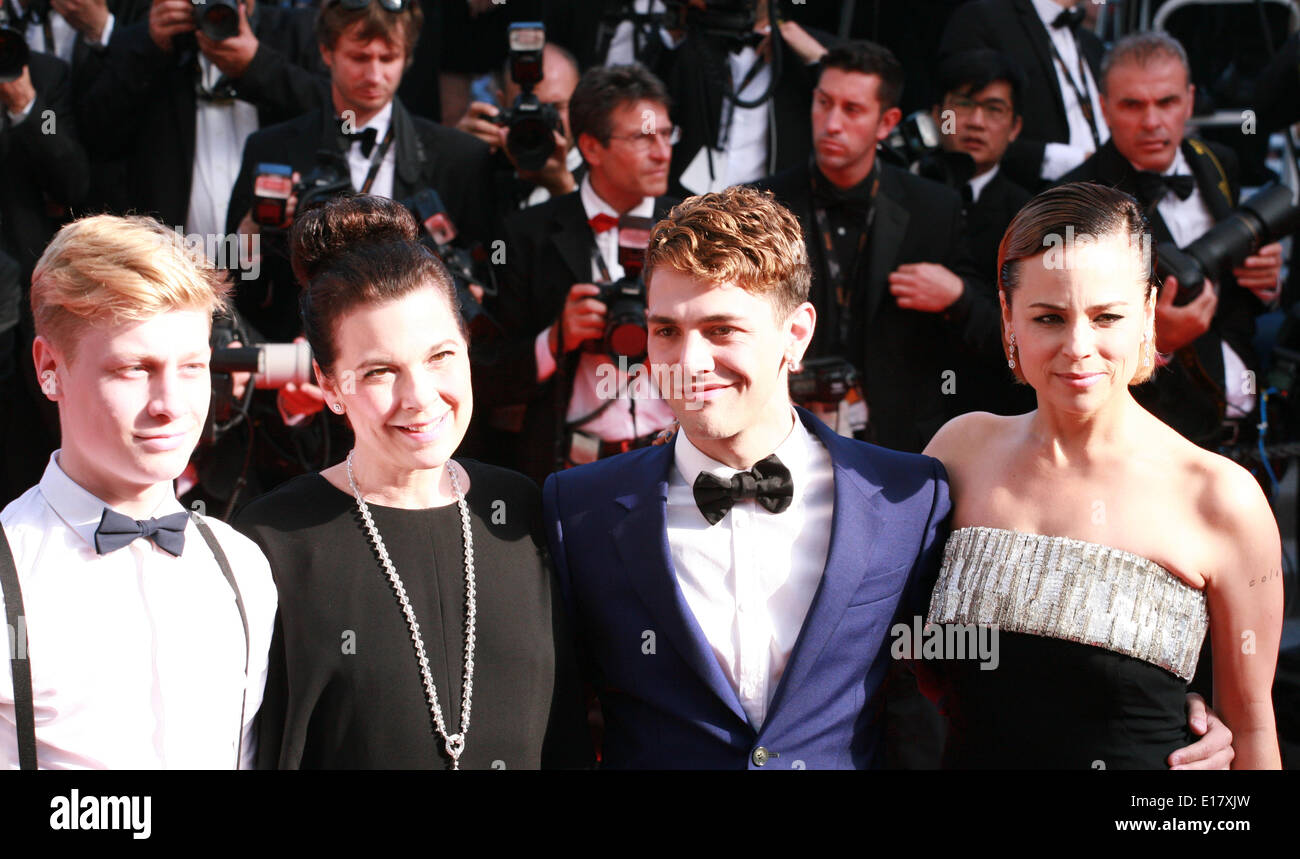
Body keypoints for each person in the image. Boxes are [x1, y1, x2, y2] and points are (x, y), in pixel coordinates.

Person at [922, 182, 1282, 769]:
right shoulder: (960, 451)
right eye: (1049, 317)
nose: (1078, 347)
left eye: (1106, 316)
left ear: (1147, 311)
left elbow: (1252, 734)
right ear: (1008, 315)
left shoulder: (1217, 496)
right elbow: (897, 658)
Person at [232, 196, 590, 770]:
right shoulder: (272, 542)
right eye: (379, 371)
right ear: (328, 383)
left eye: (440, 356)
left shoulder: (522, 511)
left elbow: (568, 733)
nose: (420, 397)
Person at [0, 214, 277, 768]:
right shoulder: (7, 573)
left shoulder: (245, 567)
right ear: (49, 367)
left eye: (193, 367)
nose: (170, 404)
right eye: (134, 369)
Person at [756, 41, 993, 452]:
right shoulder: (763, 204)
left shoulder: (934, 207)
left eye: (852, 110)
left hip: (901, 442)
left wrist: (957, 296)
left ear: (887, 123)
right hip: (785, 431)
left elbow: (994, 332)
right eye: (823, 103)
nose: (831, 123)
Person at [1060, 31, 1284, 451]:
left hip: (1252, 438)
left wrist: (1265, 283)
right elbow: (1064, 343)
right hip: (1150, 445)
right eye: (1132, 104)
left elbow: (1237, 303)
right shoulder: (1074, 199)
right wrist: (1155, 342)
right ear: (1105, 108)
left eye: (1167, 102)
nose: (1152, 122)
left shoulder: (1218, 161)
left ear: (1190, 100)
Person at [226, 0, 496, 342]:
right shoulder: (271, 148)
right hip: (298, 364)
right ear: (327, 52)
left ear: (408, 57)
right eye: (359, 57)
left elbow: (490, 277)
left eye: (388, 58)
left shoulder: (458, 156)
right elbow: (237, 286)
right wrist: (251, 231)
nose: (374, 75)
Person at [482, 63, 679, 485]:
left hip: (679, 459)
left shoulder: (696, 226)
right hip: (570, 466)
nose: (662, 152)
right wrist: (554, 340)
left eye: (666, 134)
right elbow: (483, 371)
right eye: (644, 138)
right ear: (591, 148)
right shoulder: (525, 234)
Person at [77, 0, 327, 234]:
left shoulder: (298, 32)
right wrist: (149, 48)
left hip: (269, 254)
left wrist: (258, 66)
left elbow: (341, 120)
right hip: (172, 258)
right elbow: (95, 136)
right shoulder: (147, 40)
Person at [929, 48, 1036, 418]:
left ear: (1015, 127)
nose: (975, 122)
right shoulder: (898, 195)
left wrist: (960, 299)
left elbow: (1029, 334)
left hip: (994, 412)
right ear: (937, 115)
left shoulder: (1029, 216)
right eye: (962, 105)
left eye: (993, 109)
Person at [939, 0, 1108, 189]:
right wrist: (1075, 161)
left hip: (1104, 194)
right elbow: (949, 115)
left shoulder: (1092, 45)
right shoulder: (984, 17)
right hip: (1024, 199)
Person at [455, 41, 584, 212]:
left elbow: (599, 238)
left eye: (554, 108)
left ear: (580, 103)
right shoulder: (483, 165)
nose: (540, 121)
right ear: (502, 105)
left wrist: (562, 188)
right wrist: (453, 153)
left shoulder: (603, 172)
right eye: (525, 108)